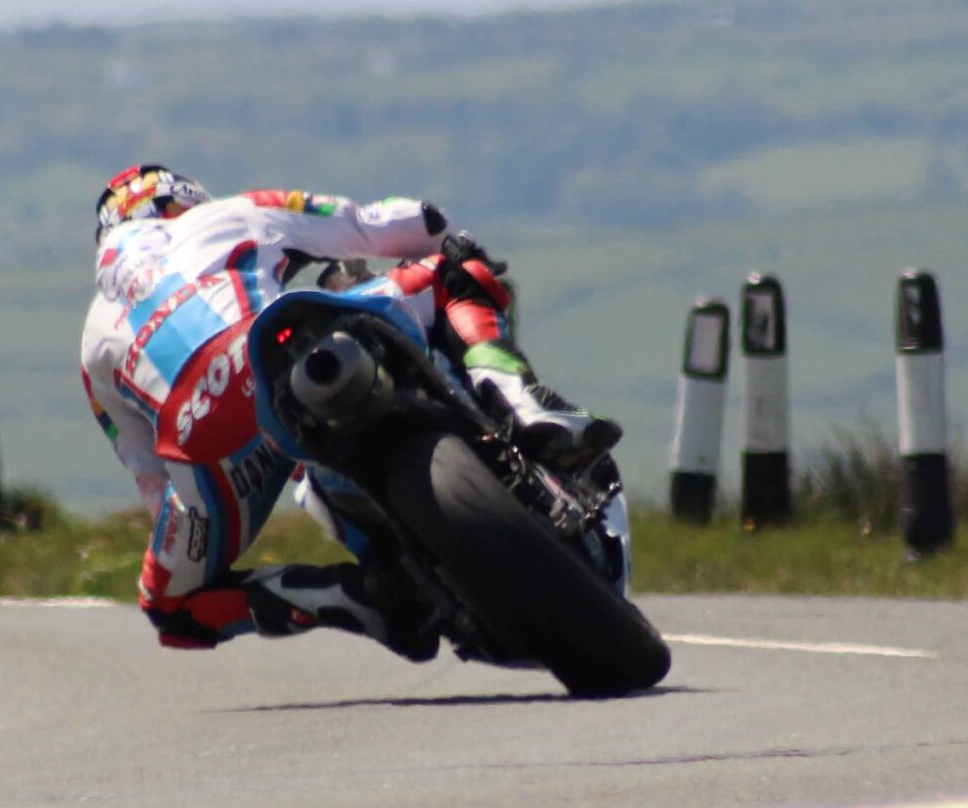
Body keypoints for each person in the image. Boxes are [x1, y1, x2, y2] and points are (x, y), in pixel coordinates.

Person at [79, 163, 618, 656]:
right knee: (453, 272)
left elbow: (148, 476)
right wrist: (440, 235)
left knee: (171, 611)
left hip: (206, 437)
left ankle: (353, 597)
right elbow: (389, 221)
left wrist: (196, 512)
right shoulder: (235, 211)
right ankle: (523, 407)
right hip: (266, 343)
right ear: (185, 201)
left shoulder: (93, 343)